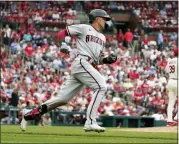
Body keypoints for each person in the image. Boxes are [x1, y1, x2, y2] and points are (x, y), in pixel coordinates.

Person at [20, 9, 117, 133]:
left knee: (63, 99)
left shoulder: (102, 37)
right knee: (101, 86)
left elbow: (98, 60)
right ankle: (91, 122)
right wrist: (62, 44)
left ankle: (29, 114)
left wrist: (108, 60)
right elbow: (62, 33)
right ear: (97, 18)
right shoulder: (84, 28)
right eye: (104, 18)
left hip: (87, 65)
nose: (106, 21)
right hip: (82, 62)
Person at [165, 48, 178, 126]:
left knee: (171, 102)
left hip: (170, 81)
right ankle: (177, 118)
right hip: (177, 81)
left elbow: (166, 70)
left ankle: (169, 120)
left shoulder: (170, 60)